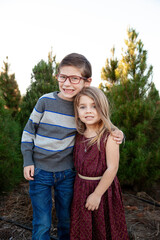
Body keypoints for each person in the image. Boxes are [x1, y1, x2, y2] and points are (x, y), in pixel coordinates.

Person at [21, 53, 124, 240]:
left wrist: (117, 131)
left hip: (67, 174)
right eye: (63, 77)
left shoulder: (81, 104)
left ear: (86, 81)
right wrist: (27, 160)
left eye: (74, 78)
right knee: (42, 222)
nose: (67, 83)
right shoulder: (46, 101)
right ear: (57, 77)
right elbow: (29, 131)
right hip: (40, 171)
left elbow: (99, 120)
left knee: (67, 219)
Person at [70, 86, 129, 240]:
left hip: (102, 190)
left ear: (102, 108)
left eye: (94, 106)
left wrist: (96, 195)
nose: (88, 111)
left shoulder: (109, 136)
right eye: (83, 107)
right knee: (84, 226)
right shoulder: (79, 134)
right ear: (77, 111)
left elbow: (112, 168)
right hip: (81, 186)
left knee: (103, 227)